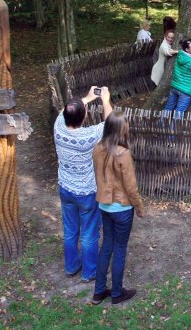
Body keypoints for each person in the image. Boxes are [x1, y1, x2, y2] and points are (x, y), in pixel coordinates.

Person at [54, 86, 113, 283]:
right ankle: (90, 272)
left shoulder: (58, 127)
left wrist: (86, 99)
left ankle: (71, 267)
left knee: (70, 230)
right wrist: (104, 100)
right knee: (89, 233)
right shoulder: (89, 136)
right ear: (84, 116)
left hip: (65, 188)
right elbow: (111, 124)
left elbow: (64, 111)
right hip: (86, 192)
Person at [90, 112, 145, 306]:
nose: (128, 127)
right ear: (121, 129)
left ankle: (98, 292)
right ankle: (116, 293)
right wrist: (138, 207)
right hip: (122, 208)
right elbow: (131, 187)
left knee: (106, 246)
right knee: (119, 249)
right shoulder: (123, 153)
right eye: (126, 125)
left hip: (104, 206)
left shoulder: (97, 149)